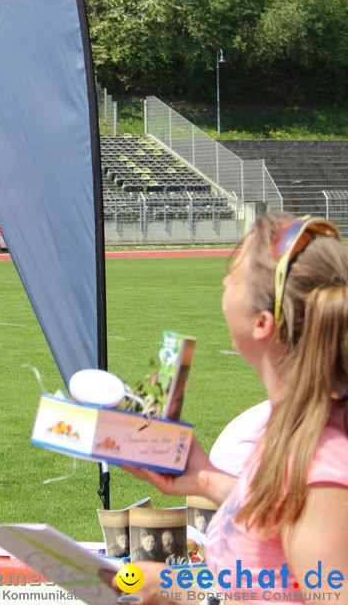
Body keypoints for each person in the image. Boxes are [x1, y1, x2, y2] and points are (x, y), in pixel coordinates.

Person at [106, 212, 348, 604]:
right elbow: (276, 568)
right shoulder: (295, 429)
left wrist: (182, 594)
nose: (222, 282)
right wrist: (204, 479)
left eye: (232, 276)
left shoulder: (319, 467)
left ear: (263, 323)